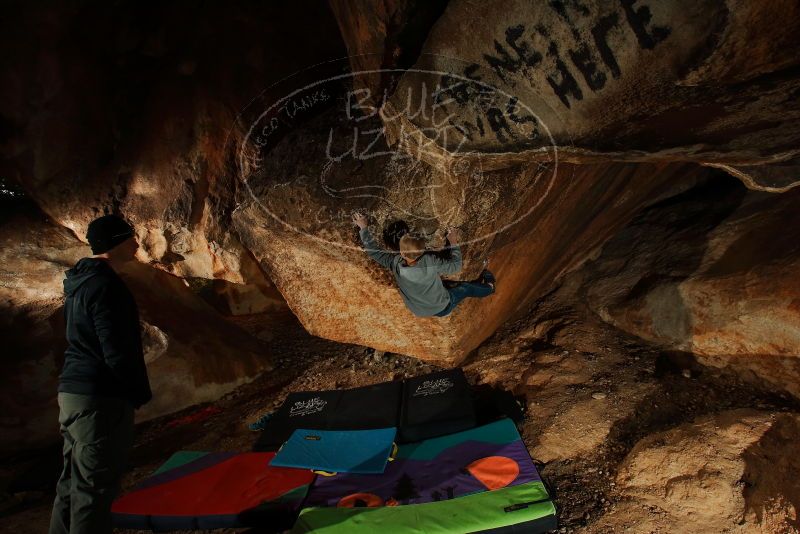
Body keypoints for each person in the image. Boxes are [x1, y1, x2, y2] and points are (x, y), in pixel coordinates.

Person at [49, 214, 152, 534]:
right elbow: (116, 348)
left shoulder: (81, 282)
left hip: (73, 394)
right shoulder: (106, 285)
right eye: (131, 238)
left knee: (72, 484)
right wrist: (136, 392)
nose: (136, 244)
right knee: (93, 490)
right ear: (117, 242)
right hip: (100, 399)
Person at [353, 212, 495, 317]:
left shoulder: (395, 263)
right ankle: (490, 287)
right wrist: (453, 242)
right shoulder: (429, 261)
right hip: (442, 307)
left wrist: (363, 228)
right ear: (423, 251)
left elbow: (374, 252)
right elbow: (456, 266)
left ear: (401, 253)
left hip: (418, 310)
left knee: (446, 285)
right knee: (465, 287)